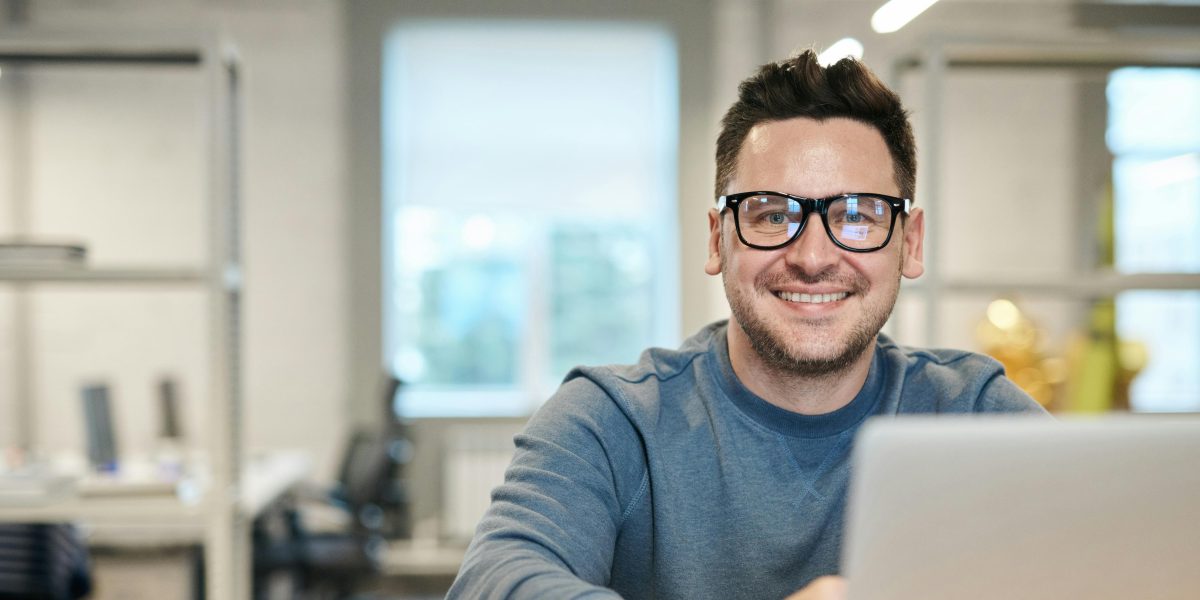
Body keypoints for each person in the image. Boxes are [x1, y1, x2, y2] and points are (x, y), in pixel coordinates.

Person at [446, 50, 1045, 600]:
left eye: (858, 216)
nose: (813, 258)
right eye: (771, 214)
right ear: (717, 238)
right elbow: (497, 580)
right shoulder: (615, 422)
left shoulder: (974, 416)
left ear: (909, 245)